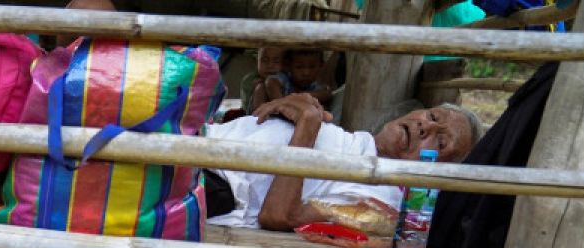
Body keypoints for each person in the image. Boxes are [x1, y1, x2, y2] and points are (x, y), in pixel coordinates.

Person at [205, 93, 483, 230]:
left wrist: (307, 126)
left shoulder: (379, 202)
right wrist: (293, 106)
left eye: (441, 142)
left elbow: (279, 217)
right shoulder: (355, 143)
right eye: (432, 117)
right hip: (199, 140)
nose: (426, 128)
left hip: (207, 183)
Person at [261, 49, 333, 109]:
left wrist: (300, 96)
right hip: (279, 119)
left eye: (312, 67)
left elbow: (327, 94)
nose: (306, 73)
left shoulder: (316, 86)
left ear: (321, 66)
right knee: (260, 89)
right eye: (299, 67)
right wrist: (281, 104)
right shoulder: (285, 79)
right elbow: (270, 82)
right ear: (288, 66)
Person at [241, 46, 286, 115]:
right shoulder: (249, 80)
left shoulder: (287, 80)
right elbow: (245, 108)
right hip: (256, 118)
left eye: (276, 61)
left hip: (283, 118)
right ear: (257, 62)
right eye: (264, 60)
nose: (270, 65)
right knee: (260, 88)